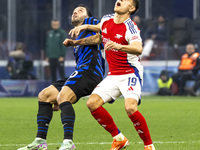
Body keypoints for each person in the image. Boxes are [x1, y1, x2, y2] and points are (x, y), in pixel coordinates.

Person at [65, 0, 155, 150]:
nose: (119, 0)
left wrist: (119, 46)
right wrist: (78, 39)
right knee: (92, 103)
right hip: (113, 75)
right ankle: (119, 139)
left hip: (130, 72)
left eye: (125, 0)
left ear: (131, 8)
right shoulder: (107, 18)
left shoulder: (130, 27)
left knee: (130, 108)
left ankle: (149, 146)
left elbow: (138, 48)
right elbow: (100, 36)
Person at [18, 4, 104, 150]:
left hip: (90, 72)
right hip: (80, 71)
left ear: (87, 16)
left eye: (80, 10)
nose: (75, 11)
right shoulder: (76, 33)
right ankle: (40, 142)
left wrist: (76, 42)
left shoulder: (91, 22)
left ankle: (68, 143)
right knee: (44, 95)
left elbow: (101, 37)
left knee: (63, 97)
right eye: (74, 10)